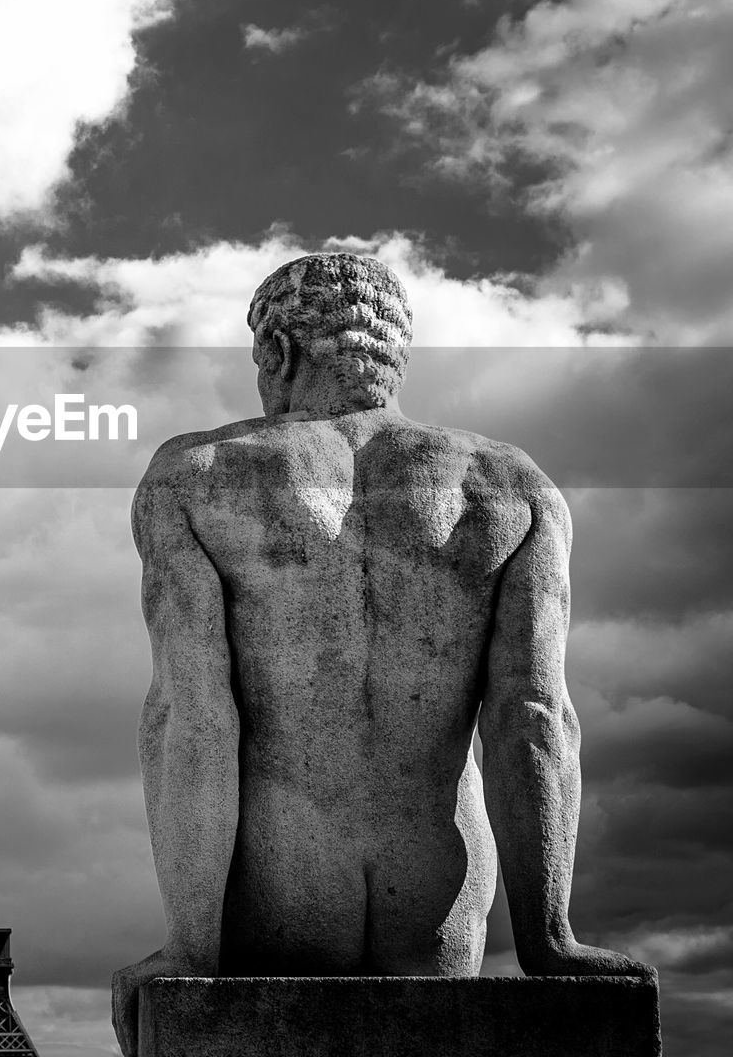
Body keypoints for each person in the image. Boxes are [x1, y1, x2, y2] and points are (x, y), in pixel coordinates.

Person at [112, 253, 645, 1057]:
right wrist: (550, 941)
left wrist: (189, 946)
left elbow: (192, 716)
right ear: (392, 356)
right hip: (438, 898)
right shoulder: (513, 485)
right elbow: (534, 719)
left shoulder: (196, 475)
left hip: (276, 890)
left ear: (278, 353)